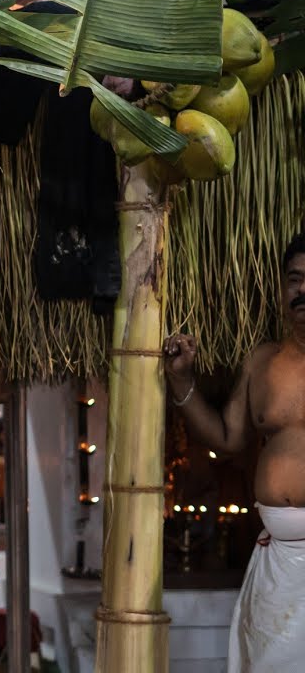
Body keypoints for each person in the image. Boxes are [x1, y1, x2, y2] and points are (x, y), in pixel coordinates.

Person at [163, 231, 305, 673]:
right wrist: (183, 382)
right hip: (278, 559)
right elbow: (227, 438)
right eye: (295, 279)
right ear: (282, 288)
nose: (303, 291)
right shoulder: (261, 362)